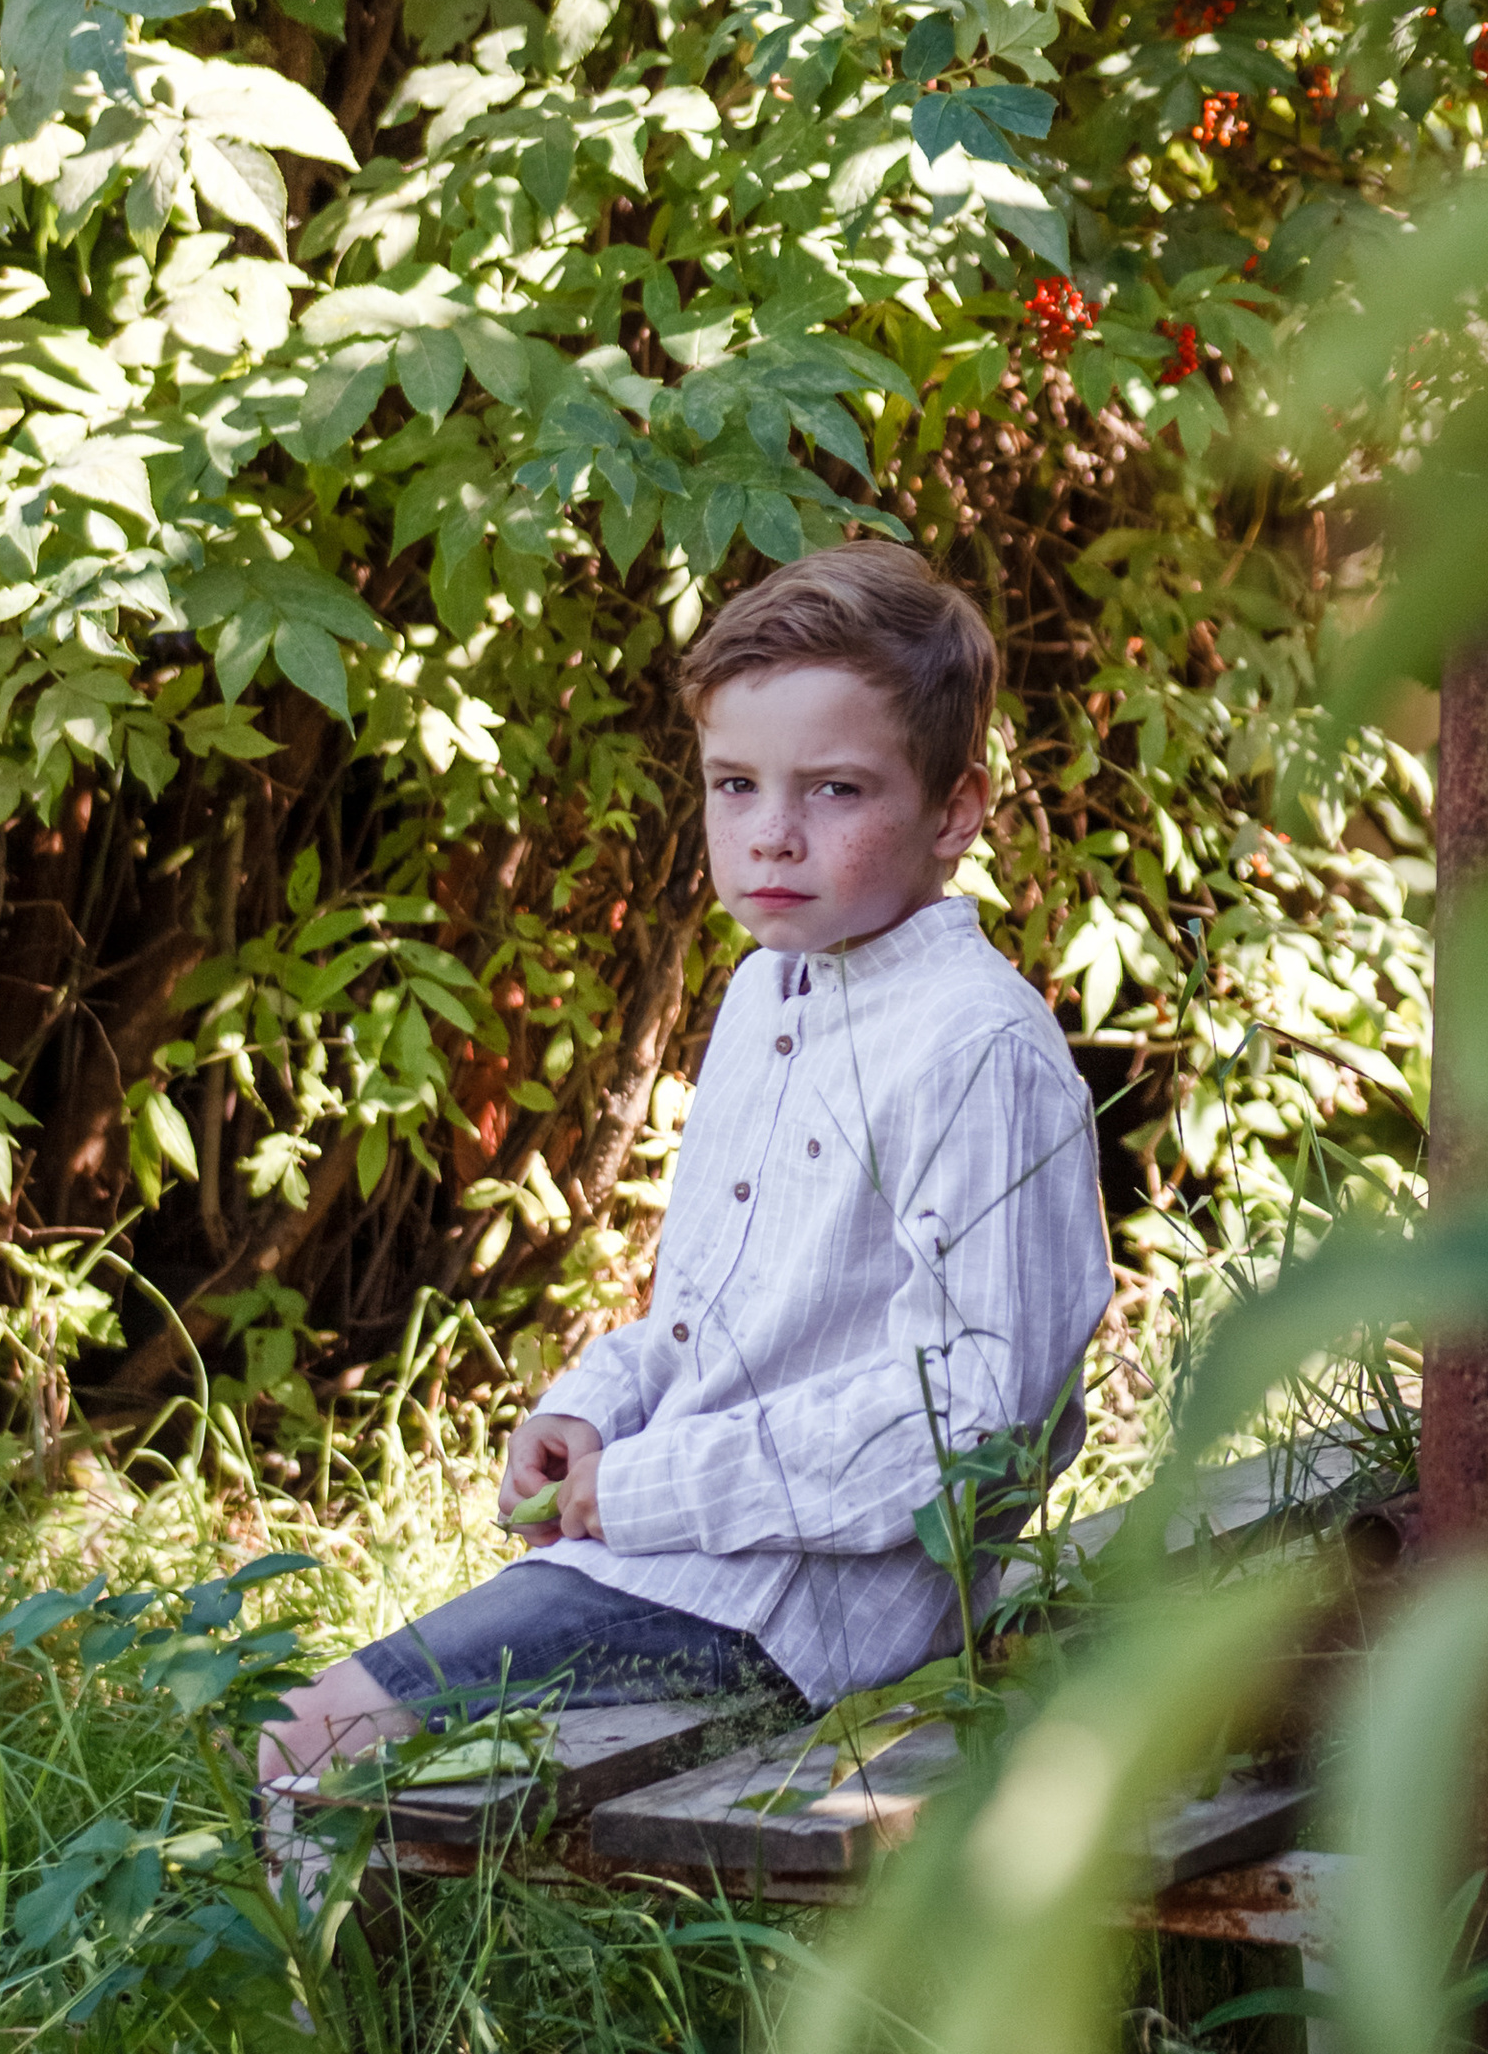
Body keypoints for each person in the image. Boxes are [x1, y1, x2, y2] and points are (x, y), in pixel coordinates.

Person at [257, 541, 1116, 1815]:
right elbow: (718, 1316)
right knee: (319, 1741)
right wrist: (596, 1412)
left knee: (310, 1740)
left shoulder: (974, 1046)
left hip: (809, 1605)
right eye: (733, 784)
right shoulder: (766, 988)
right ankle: (376, 2016)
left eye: (833, 791)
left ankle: (347, 2022)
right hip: (679, 1559)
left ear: (954, 809)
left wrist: (645, 1488)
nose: (770, 834)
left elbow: (975, 1418)